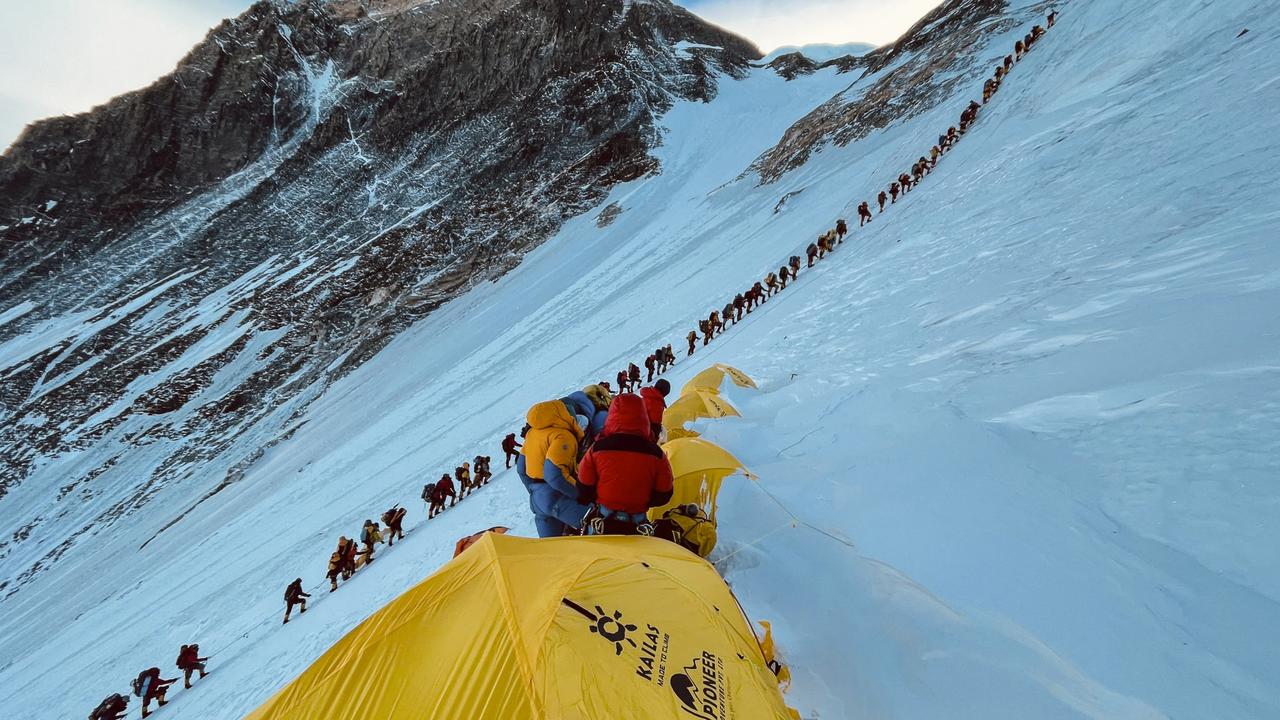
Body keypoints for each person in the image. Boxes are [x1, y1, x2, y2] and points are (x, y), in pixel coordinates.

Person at [577, 393, 675, 536]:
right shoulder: (656, 453)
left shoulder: (597, 448)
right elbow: (664, 493)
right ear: (643, 416)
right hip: (638, 521)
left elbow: (584, 487)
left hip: (603, 520)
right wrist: (643, 501)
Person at [517, 397, 592, 537]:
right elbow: (554, 475)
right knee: (602, 529)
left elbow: (521, 469)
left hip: (537, 500)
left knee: (552, 552)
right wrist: (580, 493)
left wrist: (535, 491)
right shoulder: (563, 436)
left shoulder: (532, 434)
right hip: (557, 499)